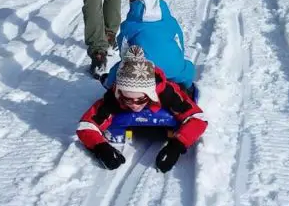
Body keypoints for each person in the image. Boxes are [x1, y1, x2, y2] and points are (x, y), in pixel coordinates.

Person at [77, 46, 207, 172]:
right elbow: (87, 125)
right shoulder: (114, 97)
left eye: (140, 100)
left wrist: (176, 146)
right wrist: (100, 147)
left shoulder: (168, 93)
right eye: (127, 99)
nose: (134, 105)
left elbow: (197, 118)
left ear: (151, 94)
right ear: (119, 93)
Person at [104, 0, 195, 92]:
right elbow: (180, 45)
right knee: (187, 67)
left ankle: (110, 85)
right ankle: (185, 88)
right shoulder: (170, 21)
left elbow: (124, 52)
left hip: (142, 74)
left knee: (118, 69)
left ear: (133, 6)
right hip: (173, 71)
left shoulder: (129, 25)